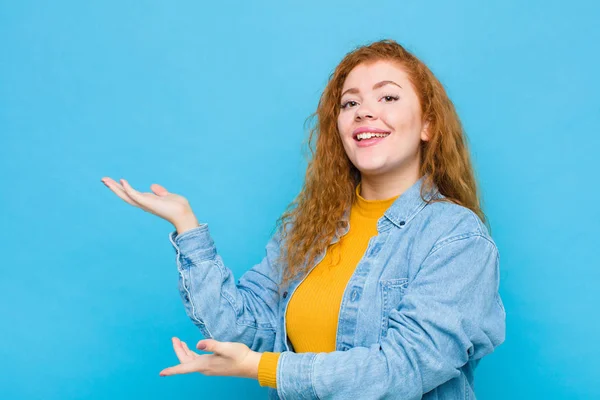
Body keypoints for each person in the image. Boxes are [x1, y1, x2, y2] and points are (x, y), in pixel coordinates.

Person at [101, 38, 506, 399]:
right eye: (351, 103)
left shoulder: (457, 238)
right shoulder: (310, 226)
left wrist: (263, 369)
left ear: (428, 125)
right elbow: (243, 331)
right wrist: (187, 226)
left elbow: (400, 371)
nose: (365, 112)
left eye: (387, 98)